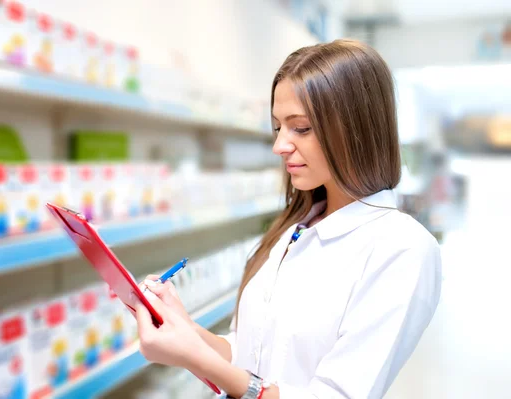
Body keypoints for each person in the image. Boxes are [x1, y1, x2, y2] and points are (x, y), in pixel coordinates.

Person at [134, 39, 442, 399]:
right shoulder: (295, 228)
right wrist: (182, 329)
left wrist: (198, 360)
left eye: (301, 127)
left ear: (355, 128)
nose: (280, 145)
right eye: (278, 127)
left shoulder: (401, 248)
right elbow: (245, 353)